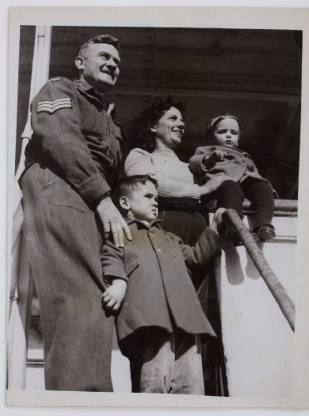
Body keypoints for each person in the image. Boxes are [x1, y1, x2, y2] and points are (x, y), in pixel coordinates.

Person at [19, 34, 131, 391]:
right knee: (78, 301)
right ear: (80, 62)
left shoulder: (109, 119)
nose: (113, 63)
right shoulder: (60, 88)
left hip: (93, 202)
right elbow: (59, 137)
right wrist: (101, 198)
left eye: (117, 60)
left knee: (95, 307)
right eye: (104, 56)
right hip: (64, 189)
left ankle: (90, 397)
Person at [124, 98, 228, 396]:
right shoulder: (140, 155)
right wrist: (199, 190)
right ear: (152, 126)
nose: (181, 123)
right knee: (157, 318)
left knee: (194, 316)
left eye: (182, 119)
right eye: (172, 117)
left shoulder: (191, 167)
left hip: (197, 232)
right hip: (163, 228)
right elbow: (147, 184)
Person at [101, 175, 226, 394]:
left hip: (186, 320)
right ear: (124, 203)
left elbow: (196, 256)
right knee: (154, 383)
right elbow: (110, 256)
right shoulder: (121, 234)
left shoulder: (170, 238)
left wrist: (214, 227)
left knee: (192, 385)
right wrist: (119, 281)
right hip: (149, 319)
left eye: (156, 197)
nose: (155, 201)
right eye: (148, 196)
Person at [189, 114, 276, 242]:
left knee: (262, 187)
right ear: (212, 136)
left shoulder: (245, 155)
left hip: (245, 180)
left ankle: (263, 226)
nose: (228, 135)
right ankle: (233, 228)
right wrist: (210, 158)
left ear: (238, 138)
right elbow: (194, 162)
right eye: (222, 131)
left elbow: (256, 175)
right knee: (231, 188)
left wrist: (265, 188)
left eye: (233, 132)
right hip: (221, 182)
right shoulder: (206, 150)